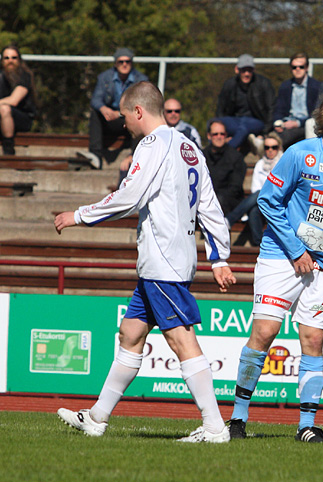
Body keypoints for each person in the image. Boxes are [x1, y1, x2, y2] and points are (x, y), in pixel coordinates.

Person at [54, 81, 236, 444]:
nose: (124, 124)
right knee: (131, 334)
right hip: (168, 259)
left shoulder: (152, 145)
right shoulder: (189, 146)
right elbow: (210, 206)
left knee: (182, 340)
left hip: (162, 261)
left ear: (138, 111)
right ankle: (96, 417)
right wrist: (218, 257)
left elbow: (129, 197)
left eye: (125, 116)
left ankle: (215, 426)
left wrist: (78, 215)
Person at [227, 79, 323, 443]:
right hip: (281, 258)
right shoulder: (300, 154)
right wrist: (296, 250)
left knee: (313, 341)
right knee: (264, 334)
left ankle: (307, 426)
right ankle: (237, 418)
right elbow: (267, 201)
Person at [85, 47, 148, 169]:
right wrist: (104, 109)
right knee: (95, 113)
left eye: (127, 61)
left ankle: (135, 155)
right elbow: (96, 100)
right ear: (115, 63)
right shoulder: (105, 77)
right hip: (110, 119)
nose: (124, 64)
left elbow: (142, 104)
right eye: (121, 62)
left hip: (129, 119)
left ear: (131, 63)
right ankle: (95, 155)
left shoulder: (141, 80)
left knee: (140, 117)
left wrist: (120, 114)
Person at [225, 132, 283, 246]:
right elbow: (254, 189)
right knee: (253, 210)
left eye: (274, 147)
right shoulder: (260, 164)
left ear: (279, 148)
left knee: (260, 194)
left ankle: (229, 219)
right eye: (267, 147)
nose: (270, 150)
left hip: (279, 201)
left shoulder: (284, 163)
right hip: (262, 202)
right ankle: (259, 243)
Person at [213, 54, 275, 150]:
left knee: (244, 127)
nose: (246, 74)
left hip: (256, 122)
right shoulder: (229, 85)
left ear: (253, 70)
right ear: (237, 69)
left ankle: (226, 151)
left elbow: (271, 109)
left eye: (249, 70)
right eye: (243, 70)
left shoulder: (264, 84)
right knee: (212, 124)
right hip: (235, 121)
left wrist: (264, 132)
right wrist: (221, 131)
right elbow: (221, 109)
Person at [272, 52, 320, 149]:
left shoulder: (316, 87)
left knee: (280, 138)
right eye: (294, 67)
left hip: (306, 124)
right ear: (291, 68)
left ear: (306, 68)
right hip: (286, 123)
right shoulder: (285, 86)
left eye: (301, 67)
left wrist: (297, 123)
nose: (297, 69)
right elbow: (278, 109)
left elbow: (317, 113)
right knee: (274, 134)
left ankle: (266, 144)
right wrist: (277, 122)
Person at [202, 119, 247, 215]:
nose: (219, 137)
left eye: (222, 134)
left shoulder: (236, 157)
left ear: (226, 136)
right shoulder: (202, 156)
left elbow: (235, 187)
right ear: (209, 136)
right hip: (206, 200)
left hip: (228, 203)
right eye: (215, 134)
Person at [0, 45, 37, 155]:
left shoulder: (24, 76)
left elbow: (14, 100)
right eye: (6, 58)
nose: (10, 61)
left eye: (13, 58)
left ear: (19, 60)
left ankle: (8, 148)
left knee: (4, 109)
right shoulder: (1, 77)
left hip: (22, 118)